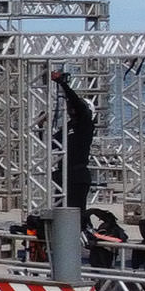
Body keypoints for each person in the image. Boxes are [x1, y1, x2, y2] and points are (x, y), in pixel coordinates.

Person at [52, 70, 96, 215]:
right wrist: (40, 127)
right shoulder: (68, 127)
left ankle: (79, 234)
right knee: (59, 212)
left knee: (76, 213)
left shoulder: (85, 125)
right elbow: (51, 144)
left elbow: (78, 104)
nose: (71, 109)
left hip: (78, 176)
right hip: (63, 176)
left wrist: (63, 84)